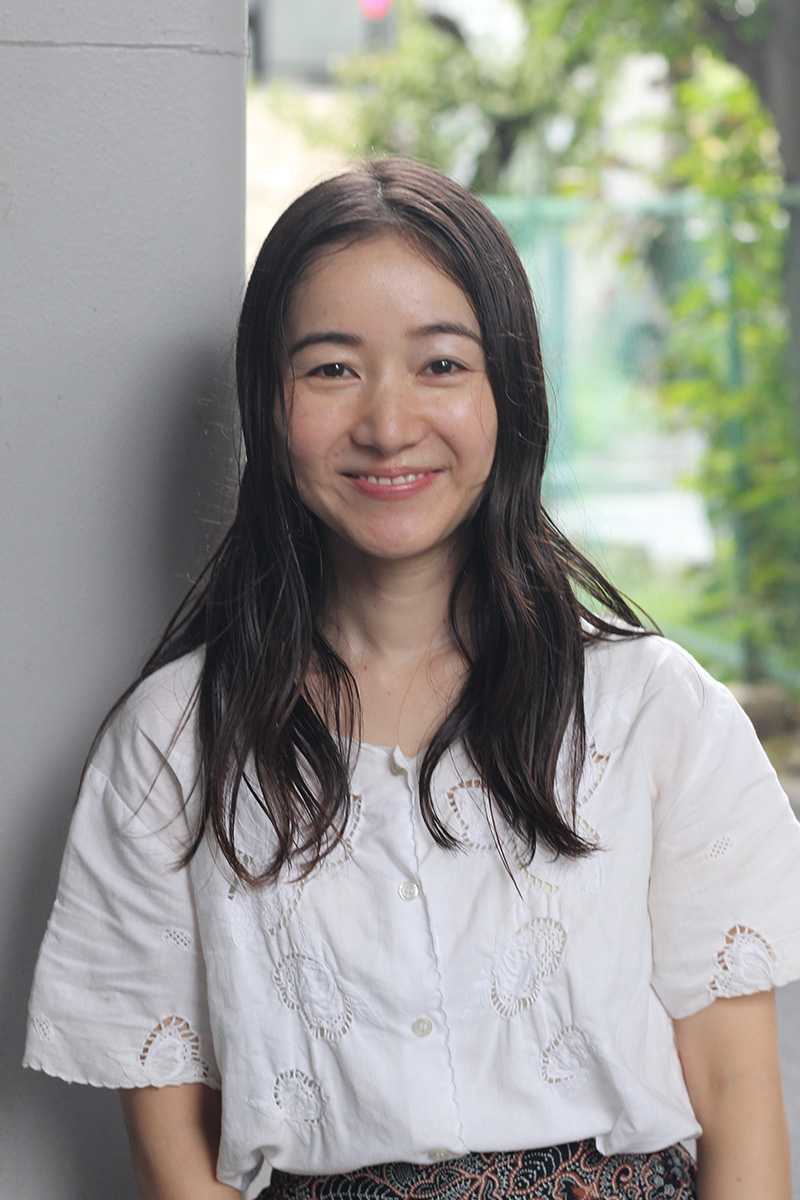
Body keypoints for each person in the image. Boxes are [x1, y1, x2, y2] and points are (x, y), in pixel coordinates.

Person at [22, 156, 800, 1200]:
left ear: (507, 392)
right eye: (331, 370)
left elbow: (737, 1096)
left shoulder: (654, 710)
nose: (388, 426)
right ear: (267, 403)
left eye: (439, 364)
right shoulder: (172, 741)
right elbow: (175, 1163)